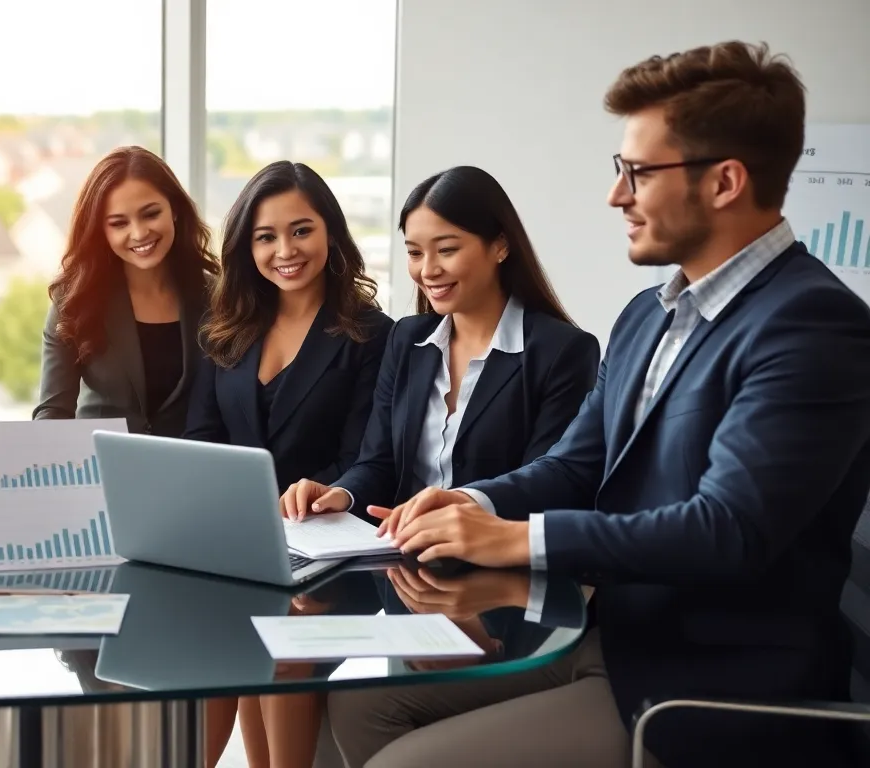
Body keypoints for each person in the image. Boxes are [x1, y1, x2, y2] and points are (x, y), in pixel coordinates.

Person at [328, 41, 870, 768]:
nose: (617, 195)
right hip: (608, 640)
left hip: (701, 681)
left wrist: (517, 541)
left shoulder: (811, 326)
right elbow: (577, 463)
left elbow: (727, 531)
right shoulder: (649, 313)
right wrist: (469, 503)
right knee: (363, 703)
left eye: (638, 173)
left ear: (726, 182)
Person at [183, 160, 393, 768]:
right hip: (239, 547)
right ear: (247, 247)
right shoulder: (226, 328)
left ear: (330, 231)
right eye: (266, 236)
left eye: (301, 230)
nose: (285, 250)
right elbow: (203, 439)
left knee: (276, 642)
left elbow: (365, 457)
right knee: (222, 638)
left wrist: (326, 490)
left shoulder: (370, 334)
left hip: (328, 552)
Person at [279, 166, 599, 531]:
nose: (427, 270)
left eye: (446, 250)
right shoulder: (407, 340)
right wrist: (341, 494)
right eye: (415, 253)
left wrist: (464, 509)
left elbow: (549, 482)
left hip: (497, 563)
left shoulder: (563, 352)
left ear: (500, 245)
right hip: (401, 559)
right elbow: (378, 462)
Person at [34, 146, 216, 437]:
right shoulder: (74, 299)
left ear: (175, 211)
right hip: (99, 472)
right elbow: (53, 412)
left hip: (190, 473)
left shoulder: (217, 297)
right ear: (100, 230)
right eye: (119, 223)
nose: (139, 233)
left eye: (151, 214)